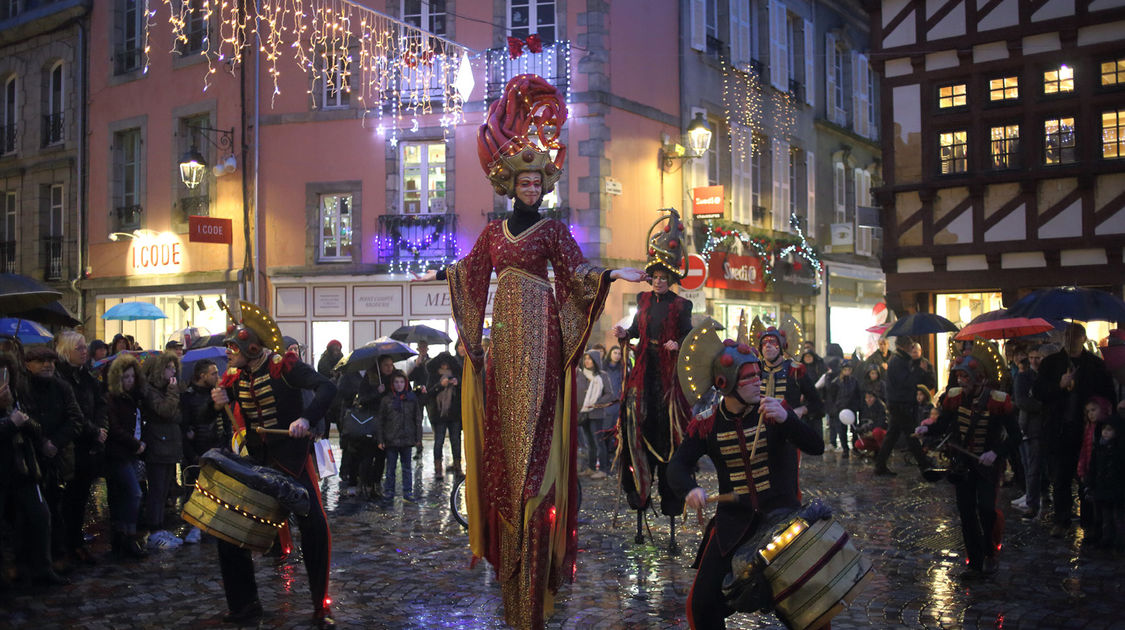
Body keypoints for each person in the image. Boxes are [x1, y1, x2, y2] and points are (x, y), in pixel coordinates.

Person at [413, 74, 647, 630]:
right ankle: (510, 557)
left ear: (543, 186)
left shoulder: (552, 230)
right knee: (502, 437)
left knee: (536, 438)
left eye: (537, 180)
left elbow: (579, 274)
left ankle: (536, 559)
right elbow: (471, 273)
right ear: (510, 183)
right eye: (522, 180)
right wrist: (443, 272)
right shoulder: (494, 236)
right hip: (505, 339)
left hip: (541, 334)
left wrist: (611, 272)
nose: (529, 187)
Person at [668, 335, 824, 629]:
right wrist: (689, 489)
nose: (757, 381)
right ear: (725, 383)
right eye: (748, 377)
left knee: (810, 603)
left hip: (782, 521)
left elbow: (817, 445)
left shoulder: (775, 409)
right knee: (700, 604)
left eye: (758, 375)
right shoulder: (707, 422)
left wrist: (788, 419)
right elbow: (677, 465)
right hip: (733, 525)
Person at [210, 302, 337, 627]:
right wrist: (217, 401)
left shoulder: (286, 367)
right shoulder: (234, 376)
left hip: (293, 463)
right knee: (227, 532)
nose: (227, 352)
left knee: (315, 529)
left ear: (251, 347)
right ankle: (244, 605)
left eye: (232, 347)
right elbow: (205, 411)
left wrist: (307, 418)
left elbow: (328, 387)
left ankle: (320, 605)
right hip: (257, 464)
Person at [612, 211, 694, 550]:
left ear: (671, 278)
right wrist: (624, 333)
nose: (658, 281)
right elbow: (635, 330)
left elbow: (690, 338)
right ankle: (639, 499)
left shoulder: (682, 304)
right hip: (643, 372)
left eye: (663, 276)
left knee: (669, 434)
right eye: (654, 276)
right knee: (635, 427)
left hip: (667, 375)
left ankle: (671, 502)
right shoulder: (642, 300)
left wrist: (679, 344)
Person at [915, 354, 1020, 580]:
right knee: (966, 513)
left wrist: (996, 452)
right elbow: (943, 424)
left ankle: (990, 552)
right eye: (959, 376)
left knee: (986, 509)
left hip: (988, 466)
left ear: (979, 378)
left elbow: (1015, 437)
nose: (961, 381)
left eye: (966, 376)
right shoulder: (954, 398)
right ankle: (974, 561)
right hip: (962, 464)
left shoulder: (998, 401)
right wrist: (928, 429)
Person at [1033, 323, 1116, 537]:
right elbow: (1038, 391)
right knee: (1060, 477)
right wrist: (1059, 386)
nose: (1070, 340)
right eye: (1067, 335)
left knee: (1087, 477)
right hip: (1060, 430)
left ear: (1083, 338)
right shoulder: (1051, 364)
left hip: (1087, 429)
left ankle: (1089, 522)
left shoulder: (1096, 365)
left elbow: (1107, 396)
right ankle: (1062, 519)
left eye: (1075, 336)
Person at [0, 352, 69, 585]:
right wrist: (10, 422)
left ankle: (42, 567)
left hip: (23, 467)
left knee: (40, 515)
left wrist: (15, 414)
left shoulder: (17, 395)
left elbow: (34, 427)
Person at [19, 345, 83, 572]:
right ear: (28, 364)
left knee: (55, 510)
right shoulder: (21, 388)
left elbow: (76, 419)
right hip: (29, 460)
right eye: (41, 361)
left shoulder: (62, 387)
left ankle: (54, 558)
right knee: (30, 514)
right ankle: (30, 561)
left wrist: (55, 442)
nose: (47, 365)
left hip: (56, 460)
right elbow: (22, 420)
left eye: (51, 361)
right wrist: (41, 442)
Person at [54, 331, 107, 566]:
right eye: (79, 348)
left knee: (81, 497)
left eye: (85, 347)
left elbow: (100, 403)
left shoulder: (87, 377)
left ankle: (76, 542)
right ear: (66, 351)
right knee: (68, 500)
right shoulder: (61, 378)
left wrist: (101, 428)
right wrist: (93, 430)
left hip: (89, 445)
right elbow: (73, 411)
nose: (84, 352)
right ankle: (66, 544)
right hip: (72, 444)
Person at [103, 353, 148, 560]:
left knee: (126, 495)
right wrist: (135, 444)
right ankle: (127, 535)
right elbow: (115, 428)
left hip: (130, 453)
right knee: (133, 493)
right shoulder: (112, 398)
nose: (129, 381)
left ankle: (124, 537)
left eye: (132, 377)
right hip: (118, 454)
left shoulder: (134, 397)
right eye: (125, 378)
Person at [139, 351, 183, 550]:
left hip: (169, 443)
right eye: (169, 367)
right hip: (158, 442)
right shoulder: (151, 391)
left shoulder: (166, 389)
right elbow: (165, 410)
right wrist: (173, 392)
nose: (172, 371)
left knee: (165, 487)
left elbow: (176, 414)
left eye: (174, 367)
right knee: (156, 488)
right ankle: (154, 529)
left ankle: (160, 526)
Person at [180, 358, 226, 543]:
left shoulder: (215, 394)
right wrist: (192, 455)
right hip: (197, 451)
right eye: (213, 373)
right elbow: (184, 428)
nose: (217, 376)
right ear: (202, 375)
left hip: (217, 449)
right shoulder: (188, 397)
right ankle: (193, 527)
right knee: (193, 490)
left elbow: (224, 423)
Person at [874, 337, 931, 476]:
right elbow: (906, 381)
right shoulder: (898, 361)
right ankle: (924, 466)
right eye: (910, 345)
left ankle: (880, 466)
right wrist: (919, 370)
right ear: (904, 346)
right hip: (900, 403)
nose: (912, 348)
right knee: (911, 435)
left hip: (899, 402)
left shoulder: (900, 359)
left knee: (892, 436)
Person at [1012, 343, 1051, 519]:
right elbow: (1021, 400)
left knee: (1048, 466)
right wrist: (1043, 407)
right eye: (1032, 357)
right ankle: (1032, 503)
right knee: (1033, 467)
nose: (1035, 361)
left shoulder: (1049, 376)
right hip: (1032, 427)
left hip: (1049, 426)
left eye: (1038, 357)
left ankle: (1045, 495)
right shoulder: (1024, 377)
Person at [376, 370, 423, 502]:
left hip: (407, 439)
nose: (399, 385)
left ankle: (407, 491)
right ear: (392, 384)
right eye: (396, 382)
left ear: (406, 383)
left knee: (407, 468)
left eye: (402, 382)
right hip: (391, 439)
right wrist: (381, 439)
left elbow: (417, 419)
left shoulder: (411, 399)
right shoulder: (387, 400)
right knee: (390, 468)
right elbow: (381, 420)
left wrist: (418, 438)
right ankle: (389, 491)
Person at [1084, 411, 1124, 552]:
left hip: (1116, 489)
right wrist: (1090, 483)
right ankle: (1107, 539)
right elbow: (1093, 467)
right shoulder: (1099, 448)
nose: (1105, 433)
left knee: (1118, 517)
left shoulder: (1119, 450)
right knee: (1105, 517)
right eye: (1104, 430)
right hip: (1103, 488)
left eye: (1109, 430)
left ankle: (1119, 541)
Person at [576, 350, 614, 478]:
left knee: (599, 441)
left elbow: (609, 394)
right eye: (585, 358)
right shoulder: (580, 375)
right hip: (583, 413)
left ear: (596, 361)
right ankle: (591, 468)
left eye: (590, 359)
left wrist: (596, 404)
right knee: (589, 442)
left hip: (596, 414)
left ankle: (603, 469)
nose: (587, 361)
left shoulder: (602, 376)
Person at [426, 352, 462, 477]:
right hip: (439, 414)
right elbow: (429, 393)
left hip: (454, 414)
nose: (445, 366)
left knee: (455, 441)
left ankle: (458, 466)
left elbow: (463, 392)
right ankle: (438, 469)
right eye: (443, 364)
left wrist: (458, 384)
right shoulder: (433, 376)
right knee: (439, 440)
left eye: (447, 364)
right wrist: (440, 386)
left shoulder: (456, 374)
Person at [827, 360, 861, 457]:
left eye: (849, 369)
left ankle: (855, 448)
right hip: (841, 409)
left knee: (854, 429)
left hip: (852, 408)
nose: (847, 371)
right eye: (845, 369)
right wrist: (835, 408)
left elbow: (858, 394)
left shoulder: (854, 381)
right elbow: (832, 397)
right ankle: (845, 449)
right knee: (842, 430)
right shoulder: (836, 382)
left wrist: (856, 406)